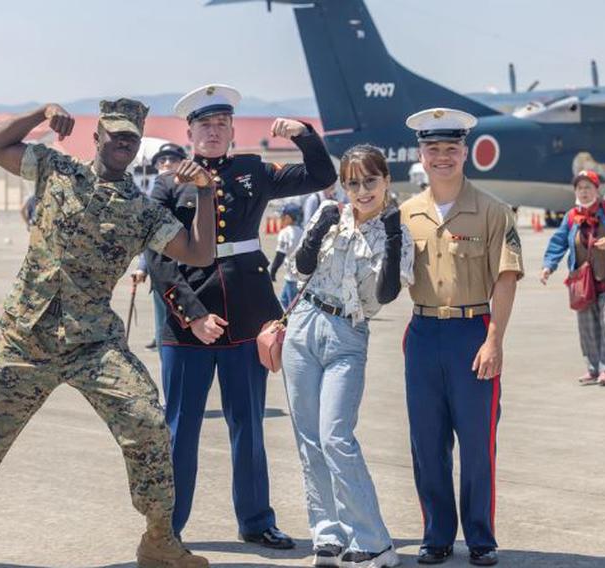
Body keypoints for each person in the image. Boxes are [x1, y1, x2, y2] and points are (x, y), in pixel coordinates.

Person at [0, 99, 215, 568]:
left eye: (131, 139)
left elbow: (197, 254)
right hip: (26, 339)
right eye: (114, 135)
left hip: (92, 343)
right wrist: (40, 113)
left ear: (136, 148)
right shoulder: (55, 169)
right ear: (96, 137)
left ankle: (159, 537)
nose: (122, 143)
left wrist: (206, 192)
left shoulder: (141, 211)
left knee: (147, 423)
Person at [145, 84, 337, 548]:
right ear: (189, 131)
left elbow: (320, 174)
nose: (213, 131)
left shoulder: (252, 170)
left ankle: (256, 520)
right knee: (180, 429)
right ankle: (168, 529)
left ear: (231, 129)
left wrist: (304, 134)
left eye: (221, 123)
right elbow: (158, 258)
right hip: (186, 320)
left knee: (248, 425)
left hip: (248, 313)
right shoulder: (167, 183)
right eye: (204, 124)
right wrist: (191, 315)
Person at [400, 108, 523, 566]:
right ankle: (435, 534)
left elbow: (506, 279)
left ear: (465, 151)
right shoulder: (405, 214)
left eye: (451, 148)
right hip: (422, 332)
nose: (443, 157)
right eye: (433, 149)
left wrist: (495, 341)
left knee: (477, 442)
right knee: (426, 441)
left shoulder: (492, 211)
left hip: (473, 333)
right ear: (422, 155)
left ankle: (480, 537)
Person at [283, 145, 414, 568]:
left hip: (347, 332)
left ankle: (374, 540)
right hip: (304, 324)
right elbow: (298, 269)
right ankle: (327, 533)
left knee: (335, 437)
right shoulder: (330, 215)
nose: (361, 191)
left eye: (370, 181)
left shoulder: (396, 229)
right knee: (308, 439)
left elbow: (386, 294)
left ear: (387, 181)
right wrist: (319, 226)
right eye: (353, 182)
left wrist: (392, 237)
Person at [540, 170, 605, 386]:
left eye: (588, 187)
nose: (584, 192)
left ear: (597, 189)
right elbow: (559, 243)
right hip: (581, 281)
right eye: (580, 188)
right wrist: (548, 266)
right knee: (586, 326)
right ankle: (592, 368)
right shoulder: (571, 216)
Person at [134, 143, 189, 351]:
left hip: (191, 272)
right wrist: (142, 267)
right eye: (162, 160)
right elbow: (151, 238)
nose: (166, 163)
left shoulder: (194, 192)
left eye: (173, 159)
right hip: (161, 272)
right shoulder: (152, 196)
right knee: (162, 327)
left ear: (183, 163)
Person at [269, 202, 304, 308]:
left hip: (291, 277)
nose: (281, 218)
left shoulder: (285, 232)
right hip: (300, 275)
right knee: (283, 302)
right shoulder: (302, 231)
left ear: (288, 218)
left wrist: (273, 271)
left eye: (282, 216)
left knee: (292, 308)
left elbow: (280, 255)